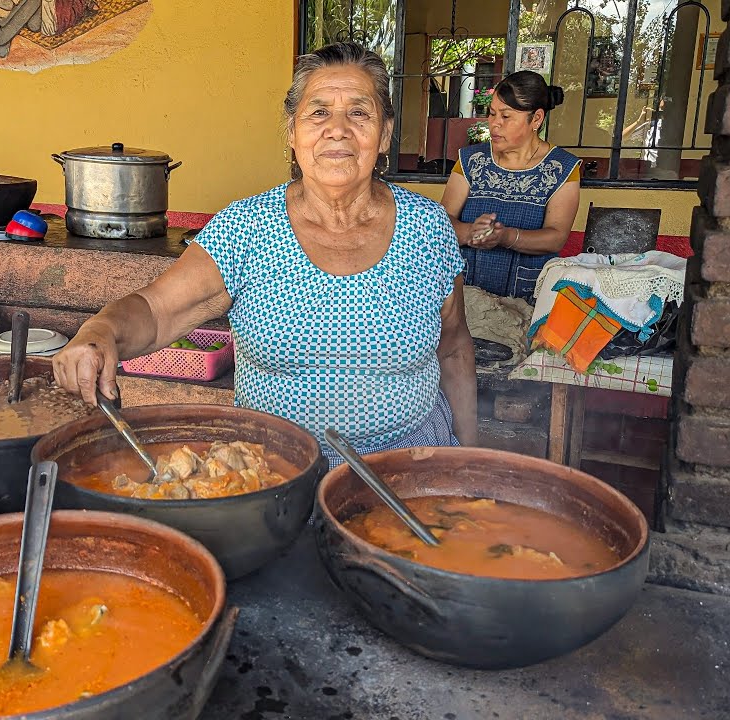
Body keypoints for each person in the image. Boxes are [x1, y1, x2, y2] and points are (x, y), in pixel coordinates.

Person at [52, 42, 478, 467]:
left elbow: (455, 345)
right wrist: (100, 331)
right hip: (274, 474)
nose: (338, 128)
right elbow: (157, 309)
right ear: (293, 132)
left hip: (409, 469)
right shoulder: (247, 227)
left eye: (359, 112)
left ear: (384, 134)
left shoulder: (427, 227)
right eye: (319, 112)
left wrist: (473, 462)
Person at [441, 70, 581, 301]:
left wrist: (505, 237)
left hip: (525, 296)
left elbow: (556, 237)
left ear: (536, 118)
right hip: (465, 293)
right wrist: (471, 232)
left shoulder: (562, 168)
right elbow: (442, 223)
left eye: (506, 117)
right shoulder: (470, 161)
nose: (494, 123)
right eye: (492, 113)